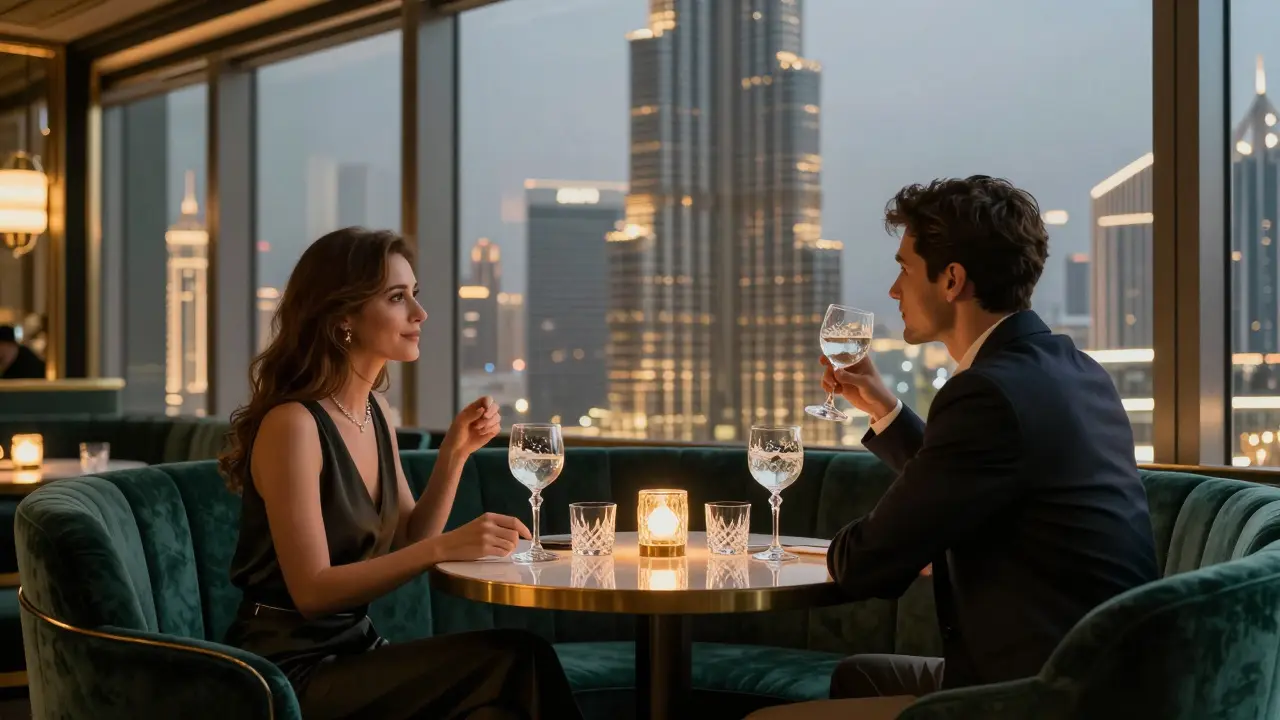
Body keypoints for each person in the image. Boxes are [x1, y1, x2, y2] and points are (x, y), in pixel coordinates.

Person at [751, 177, 1159, 719]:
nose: (894, 290)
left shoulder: (986, 393)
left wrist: (820, 550)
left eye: (904, 268)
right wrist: (883, 407)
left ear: (952, 280)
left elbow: (870, 563)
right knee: (860, 675)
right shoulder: (1074, 370)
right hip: (1109, 677)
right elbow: (970, 475)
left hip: (1046, 698)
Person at [218, 228, 583, 720]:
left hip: (355, 650)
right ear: (343, 317)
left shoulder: (374, 411)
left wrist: (454, 454)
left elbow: (412, 535)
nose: (419, 313)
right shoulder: (294, 425)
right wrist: (445, 547)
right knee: (520, 657)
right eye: (396, 297)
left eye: (415, 294)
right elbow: (312, 590)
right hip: (289, 672)